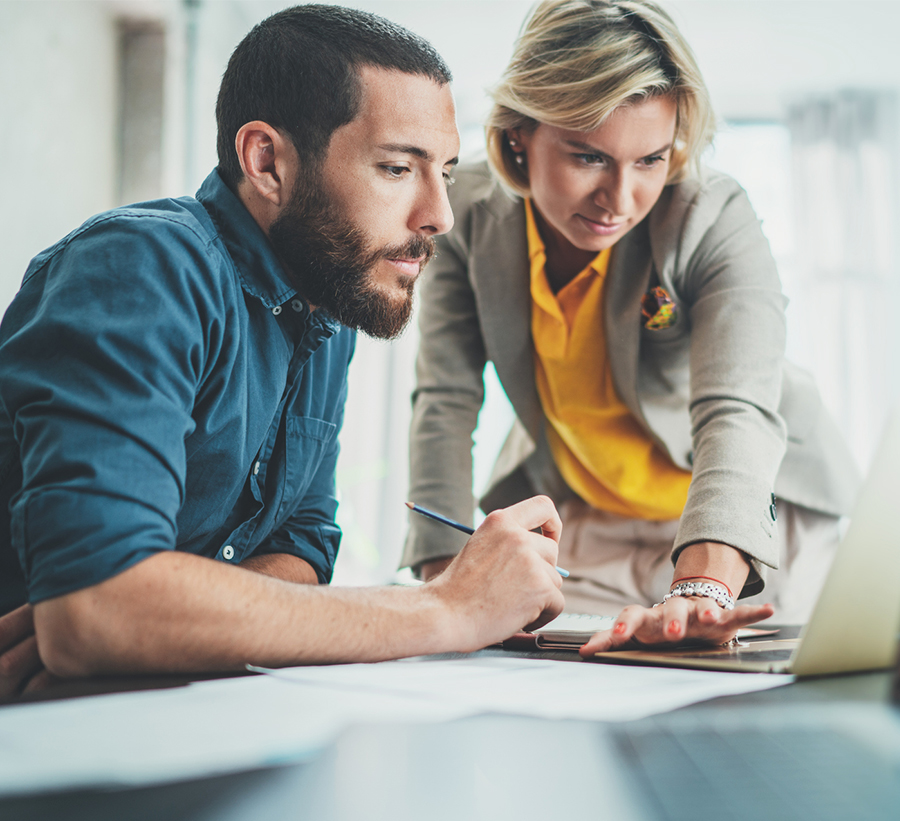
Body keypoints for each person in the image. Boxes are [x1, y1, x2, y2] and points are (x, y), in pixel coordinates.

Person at [0, 4, 566, 696]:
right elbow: (96, 610)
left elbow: (300, 545)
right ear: (267, 161)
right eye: (396, 168)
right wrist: (447, 607)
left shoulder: (323, 306)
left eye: (444, 172)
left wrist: (162, 616)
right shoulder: (142, 267)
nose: (439, 216)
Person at [402, 0, 859, 655]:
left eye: (650, 159)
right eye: (588, 157)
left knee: (744, 698)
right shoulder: (467, 210)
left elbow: (737, 409)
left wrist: (705, 588)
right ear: (517, 138)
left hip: (757, 516)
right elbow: (446, 398)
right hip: (590, 515)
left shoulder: (711, 215)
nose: (619, 199)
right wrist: (443, 581)